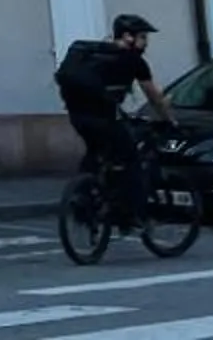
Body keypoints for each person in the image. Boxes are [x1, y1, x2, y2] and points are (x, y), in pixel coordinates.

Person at [55, 13, 176, 223]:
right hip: (104, 119)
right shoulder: (134, 61)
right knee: (131, 159)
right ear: (128, 36)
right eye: (143, 37)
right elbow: (154, 96)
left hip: (78, 117)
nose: (145, 43)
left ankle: (84, 195)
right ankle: (128, 213)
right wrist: (169, 119)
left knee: (96, 151)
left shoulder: (93, 54)